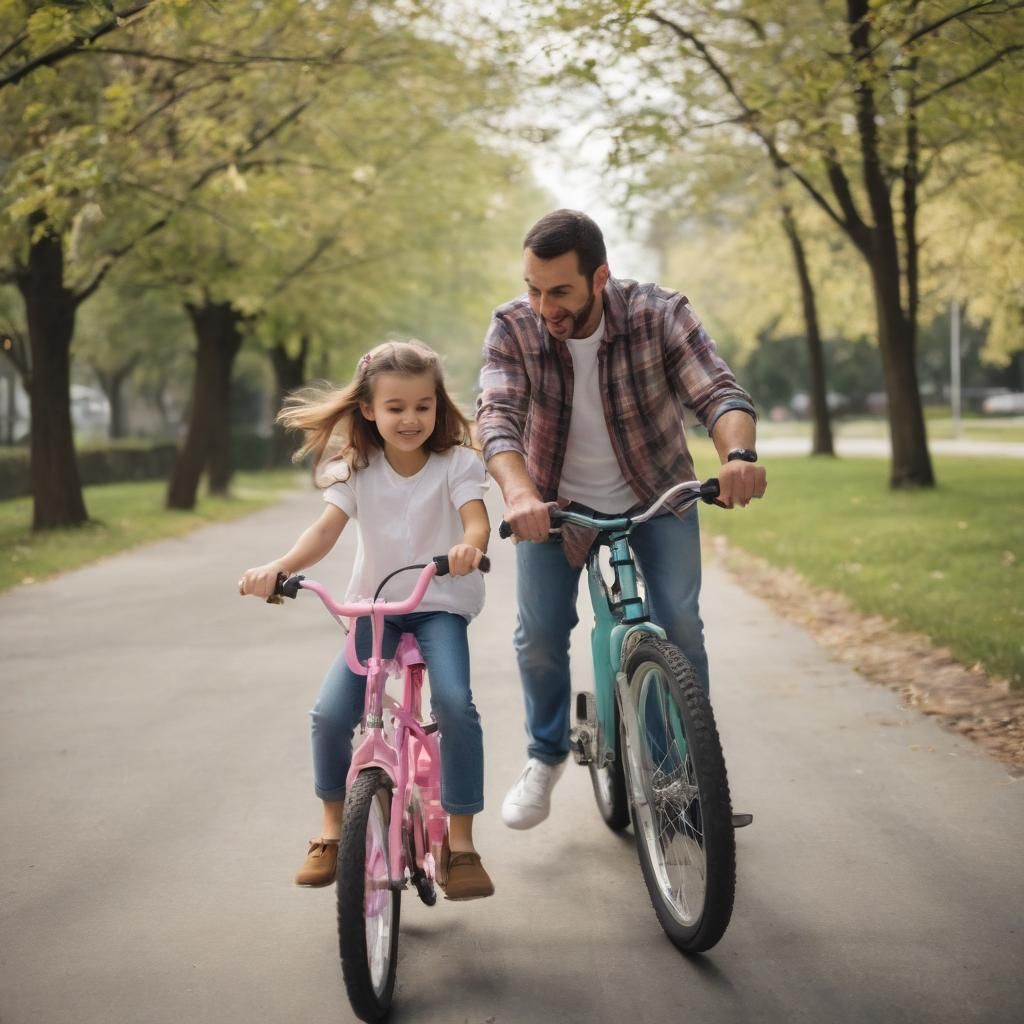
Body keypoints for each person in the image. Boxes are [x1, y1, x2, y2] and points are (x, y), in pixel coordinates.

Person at [476, 209, 767, 830]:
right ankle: (546, 754)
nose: (543, 305)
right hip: (552, 505)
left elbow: (717, 391)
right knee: (540, 637)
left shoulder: (659, 313)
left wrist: (737, 455)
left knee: (679, 626)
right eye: (533, 287)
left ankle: (686, 778)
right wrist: (520, 494)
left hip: (654, 494)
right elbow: (497, 417)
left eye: (559, 291)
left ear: (599, 277)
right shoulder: (514, 328)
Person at [240, 339, 494, 900]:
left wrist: (468, 549)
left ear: (438, 406)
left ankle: (462, 843)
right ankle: (332, 829)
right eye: (396, 407)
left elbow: (475, 522)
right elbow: (325, 532)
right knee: (330, 715)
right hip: (376, 610)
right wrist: (278, 567)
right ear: (369, 410)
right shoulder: (356, 469)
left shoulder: (458, 463)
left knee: (454, 703)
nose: (410, 419)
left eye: (423, 406)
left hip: (439, 605)